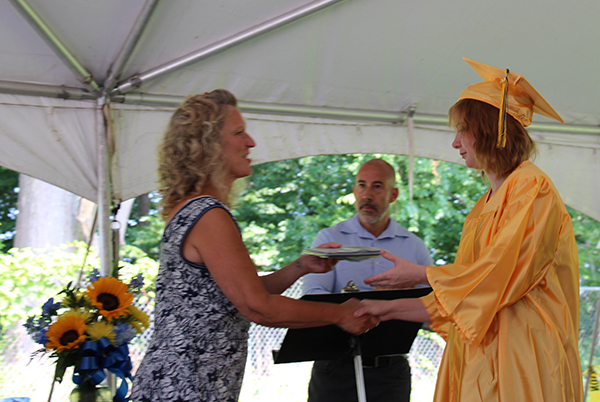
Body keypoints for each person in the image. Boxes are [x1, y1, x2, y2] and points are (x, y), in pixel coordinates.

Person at [355, 57, 583, 402]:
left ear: (490, 130)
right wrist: (387, 309)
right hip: (483, 357)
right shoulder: (483, 204)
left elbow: (498, 276)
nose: (456, 143)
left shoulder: (531, 187)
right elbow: (463, 298)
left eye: (462, 129)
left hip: (524, 359)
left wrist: (421, 274)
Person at [130, 90, 378, 402]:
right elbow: (258, 306)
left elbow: (236, 294)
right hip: (184, 389)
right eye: (238, 132)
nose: (251, 142)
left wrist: (301, 266)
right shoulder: (208, 215)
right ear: (209, 147)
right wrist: (339, 315)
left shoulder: (192, 210)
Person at [303, 159, 433, 402]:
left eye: (377, 187)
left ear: (393, 194)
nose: (367, 195)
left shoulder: (414, 247)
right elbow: (311, 302)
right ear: (354, 191)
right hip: (335, 370)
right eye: (361, 185)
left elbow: (438, 311)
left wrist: (411, 290)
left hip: (390, 374)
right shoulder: (330, 239)